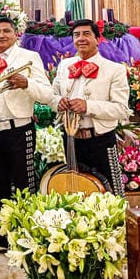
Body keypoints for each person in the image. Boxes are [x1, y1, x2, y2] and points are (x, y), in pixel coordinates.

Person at [0, 17, 52, 256]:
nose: (1, 35)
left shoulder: (29, 58)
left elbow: (48, 95)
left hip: (20, 129)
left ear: (16, 33)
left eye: (6, 31)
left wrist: (26, 83)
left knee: (24, 185)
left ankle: (27, 238)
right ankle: (0, 238)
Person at [50, 19, 129, 195]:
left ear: (97, 38)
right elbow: (52, 96)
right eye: (76, 35)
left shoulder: (114, 69)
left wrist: (88, 106)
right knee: (75, 191)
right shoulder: (64, 65)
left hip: (100, 139)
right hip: (70, 139)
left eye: (86, 34)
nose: (81, 38)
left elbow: (121, 109)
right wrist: (58, 103)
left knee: (110, 192)